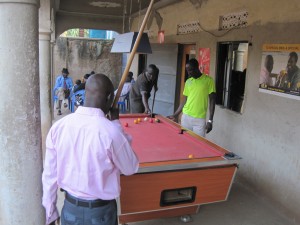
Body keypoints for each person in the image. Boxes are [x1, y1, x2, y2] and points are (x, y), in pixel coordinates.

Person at [42, 74, 139, 225]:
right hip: (101, 213)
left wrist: (50, 211)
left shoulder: (59, 127)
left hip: (70, 209)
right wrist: (117, 124)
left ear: (85, 92)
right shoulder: (112, 132)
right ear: (109, 98)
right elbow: (130, 168)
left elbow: (49, 174)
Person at [168, 58, 216, 137]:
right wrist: (176, 114)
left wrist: (210, 120)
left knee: (199, 144)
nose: (188, 73)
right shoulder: (188, 81)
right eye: (187, 70)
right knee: (184, 142)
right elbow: (185, 99)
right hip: (186, 117)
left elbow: (212, 100)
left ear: (197, 68)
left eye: (190, 70)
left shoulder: (209, 81)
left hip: (199, 119)